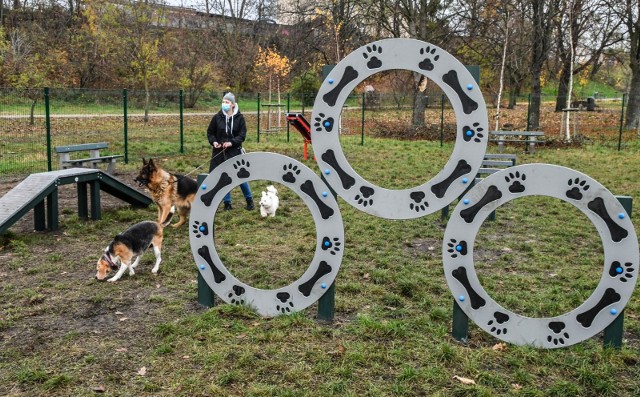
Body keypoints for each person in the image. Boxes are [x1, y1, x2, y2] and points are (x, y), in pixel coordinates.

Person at [207, 92, 254, 211]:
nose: (224, 104)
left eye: (227, 102)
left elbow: (242, 135)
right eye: (223, 102)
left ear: (233, 104)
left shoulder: (240, 118)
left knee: (240, 177)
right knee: (223, 177)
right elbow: (210, 132)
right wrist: (214, 142)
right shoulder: (217, 117)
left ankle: (249, 200)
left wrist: (232, 142)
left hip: (234, 151)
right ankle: (227, 203)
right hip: (219, 152)